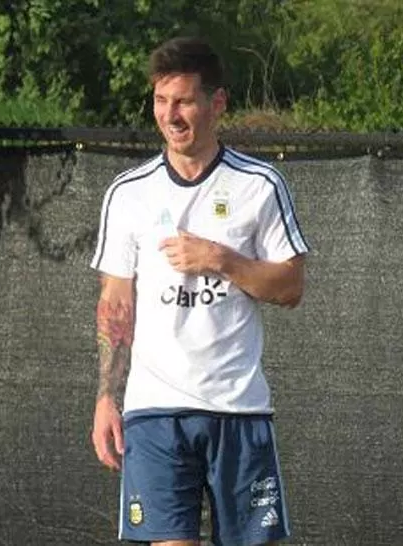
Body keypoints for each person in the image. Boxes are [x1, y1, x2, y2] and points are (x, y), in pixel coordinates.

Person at [89, 35, 310, 546]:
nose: (172, 115)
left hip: (238, 409)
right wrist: (106, 397)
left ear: (217, 103)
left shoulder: (260, 185)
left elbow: (292, 286)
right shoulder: (128, 193)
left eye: (185, 100)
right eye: (161, 101)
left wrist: (222, 260)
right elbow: (116, 303)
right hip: (154, 413)